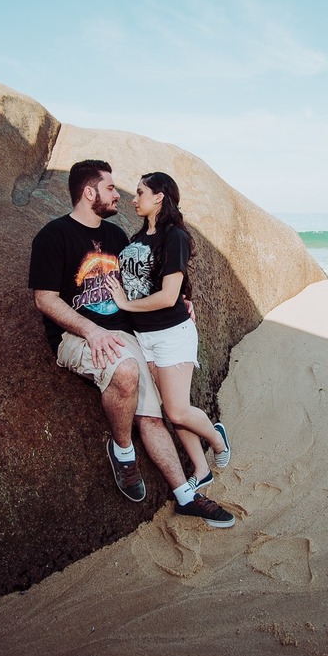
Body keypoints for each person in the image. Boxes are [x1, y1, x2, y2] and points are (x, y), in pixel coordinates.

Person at [28, 159, 234, 528]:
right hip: (77, 335)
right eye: (110, 187)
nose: (118, 195)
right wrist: (91, 331)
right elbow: (45, 299)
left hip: (126, 335)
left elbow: (143, 284)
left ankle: (186, 497)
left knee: (153, 416)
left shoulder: (118, 238)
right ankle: (123, 452)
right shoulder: (53, 236)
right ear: (89, 192)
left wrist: (180, 298)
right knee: (124, 371)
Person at [106, 172, 231, 495]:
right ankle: (201, 470)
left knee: (177, 410)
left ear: (159, 196)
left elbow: (167, 296)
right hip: (143, 337)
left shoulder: (174, 236)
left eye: (140, 193)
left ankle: (217, 439)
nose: (134, 199)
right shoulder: (137, 237)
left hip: (171, 334)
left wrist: (125, 304)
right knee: (173, 410)